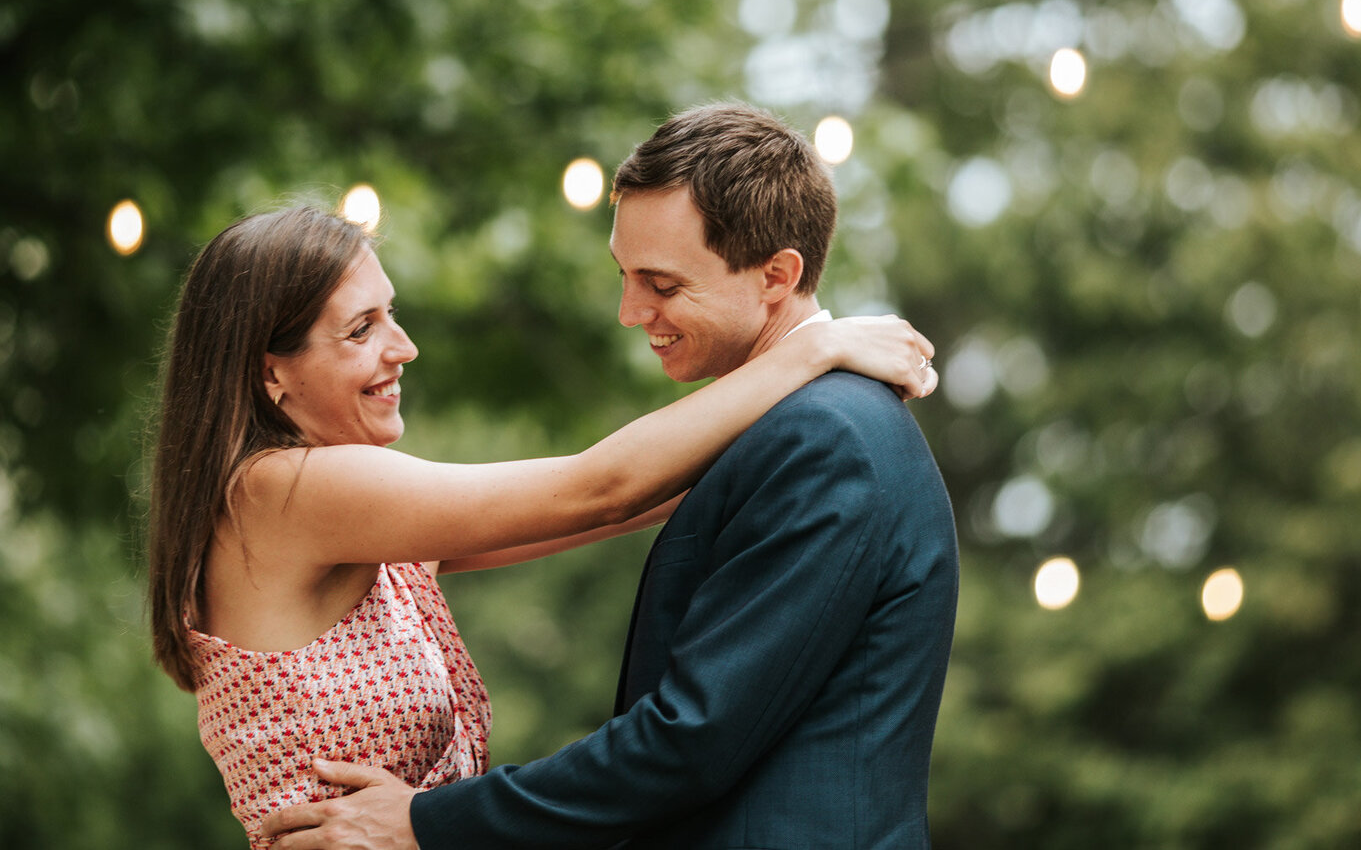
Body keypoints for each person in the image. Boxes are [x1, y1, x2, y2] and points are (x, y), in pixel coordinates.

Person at [265, 102, 959, 849]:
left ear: (776, 276)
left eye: (661, 283)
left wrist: (425, 820)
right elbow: (598, 497)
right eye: (625, 276)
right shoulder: (797, 429)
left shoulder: (824, 439)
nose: (632, 311)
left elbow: (689, 739)